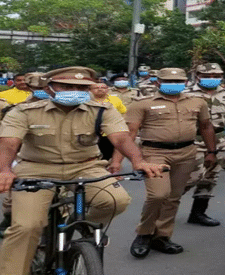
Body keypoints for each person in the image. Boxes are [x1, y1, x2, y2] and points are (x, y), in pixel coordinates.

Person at [0, 66, 164, 275]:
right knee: (26, 227)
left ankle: (79, 224)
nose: (74, 90)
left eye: (81, 86)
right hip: (36, 169)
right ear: (50, 88)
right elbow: (8, 144)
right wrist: (4, 170)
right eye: (67, 86)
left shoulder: (102, 110)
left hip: (86, 166)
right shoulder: (24, 111)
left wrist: (138, 161)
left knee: (116, 200)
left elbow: (121, 138)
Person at [113, 68, 217, 258]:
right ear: (157, 82)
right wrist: (117, 161)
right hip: (154, 153)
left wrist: (212, 151)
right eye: (168, 81)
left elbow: (205, 126)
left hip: (186, 152)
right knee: (158, 195)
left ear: (186, 82)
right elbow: (129, 133)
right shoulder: (142, 104)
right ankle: (144, 234)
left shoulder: (198, 102)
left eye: (178, 81)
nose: (174, 84)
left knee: (173, 197)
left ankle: (162, 236)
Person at [183, 62, 225, 227]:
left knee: (210, 177)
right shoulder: (186, 94)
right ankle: (164, 211)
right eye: (207, 76)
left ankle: (198, 213)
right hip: (193, 140)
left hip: (219, 140)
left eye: (216, 76)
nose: (212, 79)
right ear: (198, 76)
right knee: (191, 177)